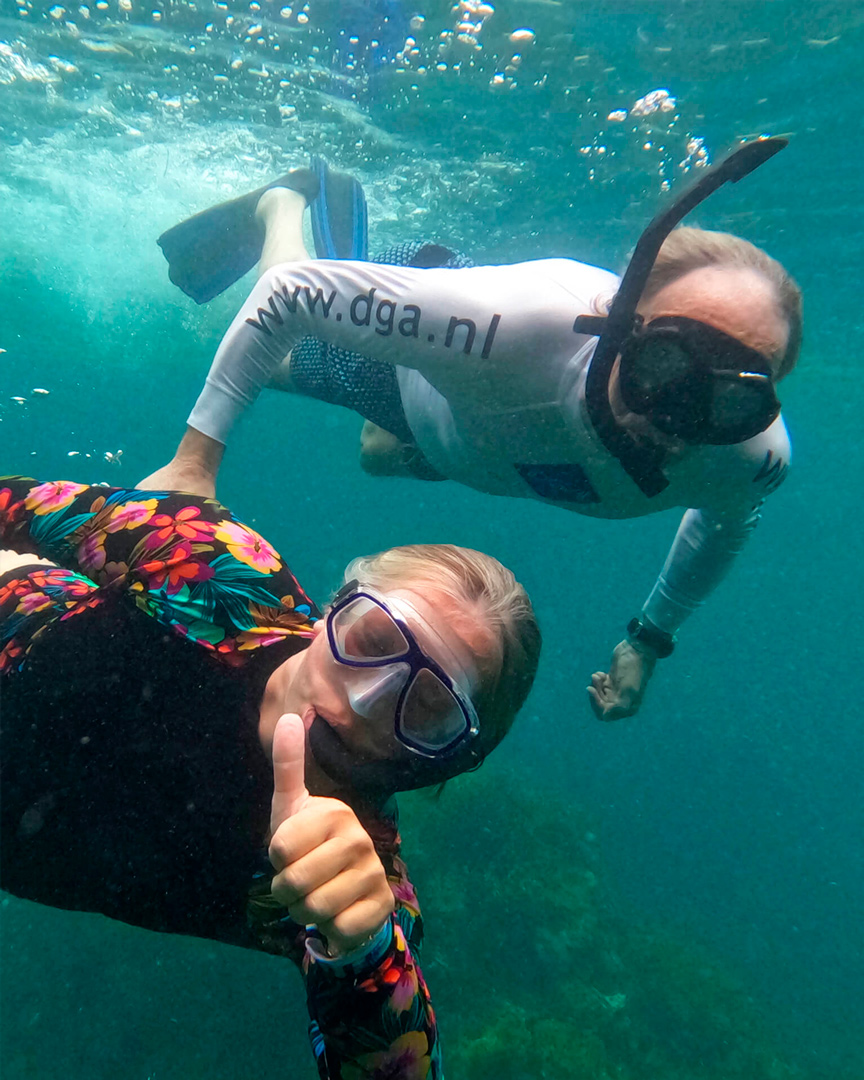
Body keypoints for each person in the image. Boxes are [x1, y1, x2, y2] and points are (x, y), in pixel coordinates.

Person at [145, 139, 801, 723]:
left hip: (466, 434)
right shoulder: (515, 326)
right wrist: (195, 463)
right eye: (665, 363)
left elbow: (727, 521)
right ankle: (286, 204)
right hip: (424, 358)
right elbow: (292, 295)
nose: (678, 418)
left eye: (726, 400)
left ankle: (392, 406)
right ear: (616, 320)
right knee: (282, 358)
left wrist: (648, 640)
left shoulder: (749, 458)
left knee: (377, 456)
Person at [0, 475, 540, 1079]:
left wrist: (365, 954)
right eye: (373, 638)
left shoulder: (350, 888)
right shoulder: (214, 571)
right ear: (336, 604)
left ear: (443, 758)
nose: (361, 702)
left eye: (429, 708)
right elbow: (13, 504)